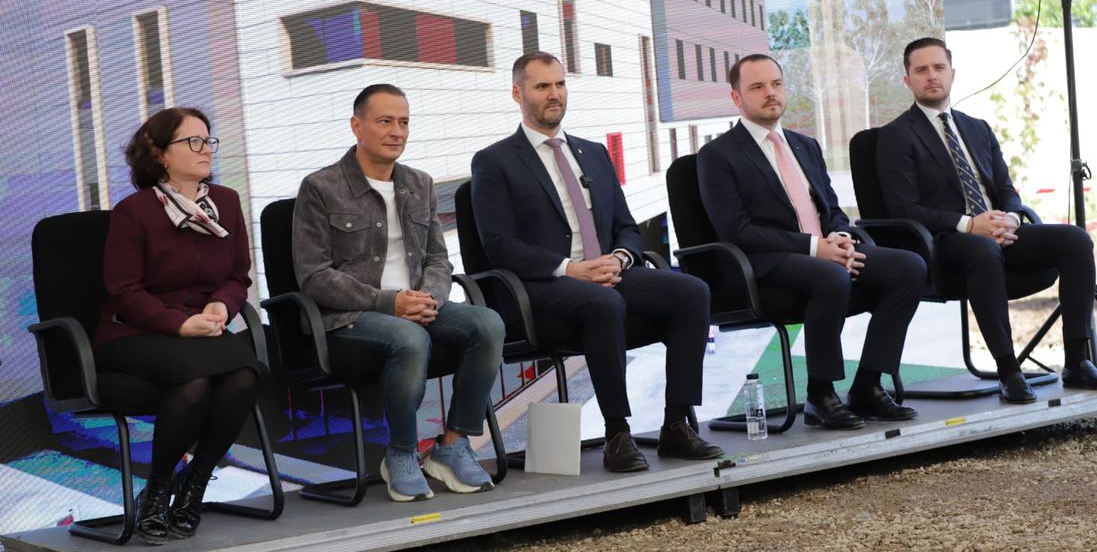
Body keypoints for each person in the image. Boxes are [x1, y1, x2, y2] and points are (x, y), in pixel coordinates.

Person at [470, 51, 723, 473]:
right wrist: (571, 269)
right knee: (605, 303)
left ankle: (676, 425)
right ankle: (617, 434)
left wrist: (619, 260)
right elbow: (499, 246)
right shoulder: (495, 161)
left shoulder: (594, 153)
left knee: (692, 292)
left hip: (606, 274)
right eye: (542, 86)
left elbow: (626, 226)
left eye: (560, 84)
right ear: (518, 93)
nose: (554, 94)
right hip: (543, 287)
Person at [293, 84, 505, 501]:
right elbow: (314, 276)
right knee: (409, 338)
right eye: (385, 121)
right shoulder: (320, 187)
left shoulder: (419, 183)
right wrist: (390, 303)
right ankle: (402, 453)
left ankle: (452, 445)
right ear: (357, 126)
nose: (397, 131)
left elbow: (438, 259)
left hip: (416, 305)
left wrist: (429, 299)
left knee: (488, 324)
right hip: (350, 318)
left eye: (404, 122)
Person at [877, 37, 1097, 403]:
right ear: (907, 80)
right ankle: (1009, 371)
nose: (932, 76)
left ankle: (1077, 361)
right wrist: (970, 225)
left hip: (999, 232)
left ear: (952, 73)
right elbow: (903, 209)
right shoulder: (896, 136)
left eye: (939, 67)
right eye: (921, 70)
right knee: (982, 250)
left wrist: (1012, 219)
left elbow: (1006, 189)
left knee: (1075, 240)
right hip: (945, 242)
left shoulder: (977, 128)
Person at [697, 54, 927, 429]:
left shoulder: (805, 146)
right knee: (830, 275)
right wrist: (815, 248)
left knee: (909, 267)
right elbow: (737, 231)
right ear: (736, 97)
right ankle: (820, 395)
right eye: (757, 87)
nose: (770, 93)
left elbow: (831, 209)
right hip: (763, 263)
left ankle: (868, 386)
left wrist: (841, 237)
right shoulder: (717, 155)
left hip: (821, 252)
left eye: (776, 84)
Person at [95, 107, 259, 544]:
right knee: (195, 381)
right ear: (161, 154)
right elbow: (124, 290)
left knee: (244, 373)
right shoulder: (134, 211)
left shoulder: (225, 203)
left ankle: (194, 485)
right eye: (193, 141)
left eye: (209, 140)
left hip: (200, 332)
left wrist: (222, 305)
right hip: (134, 331)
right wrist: (179, 324)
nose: (206, 149)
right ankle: (157, 490)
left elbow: (237, 276)